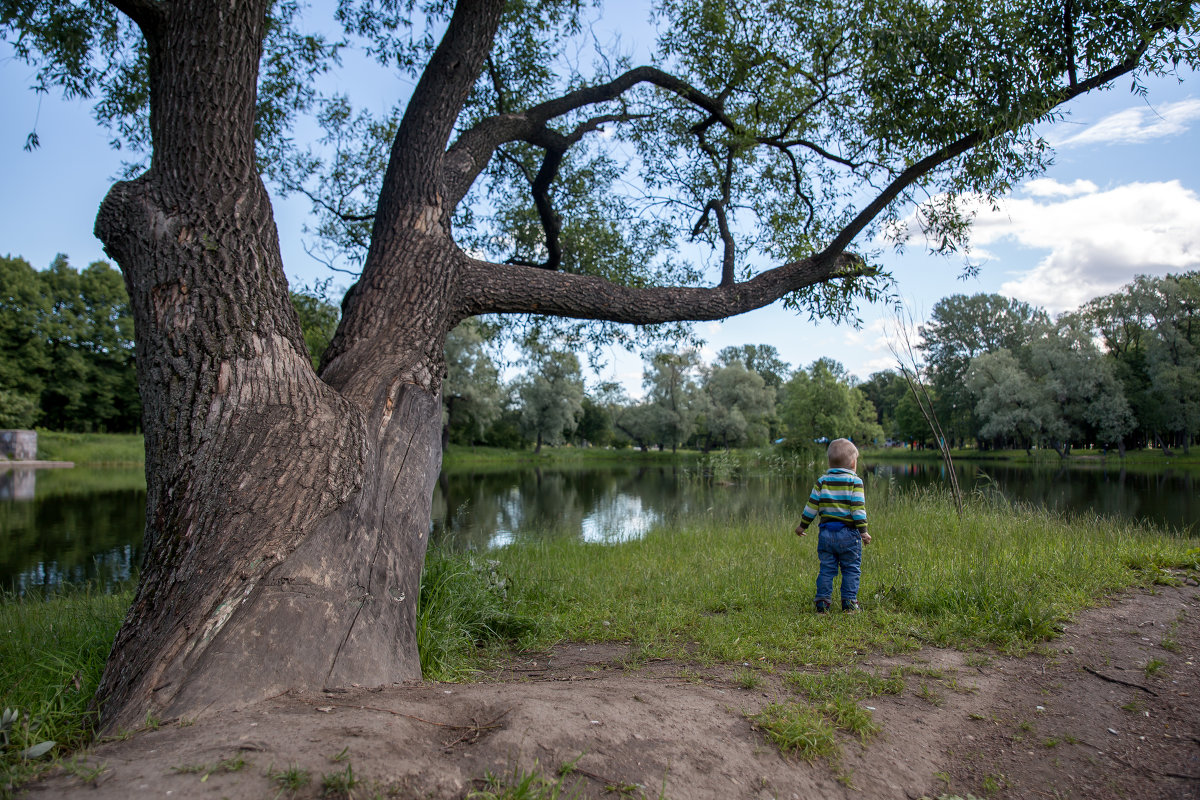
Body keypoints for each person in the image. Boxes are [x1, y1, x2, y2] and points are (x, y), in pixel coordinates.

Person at [794, 438, 871, 613]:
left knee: (827, 569)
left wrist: (802, 526)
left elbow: (811, 506)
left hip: (826, 533)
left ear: (829, 462)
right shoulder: (855, 482)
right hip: (849, 534)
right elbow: (858, 509)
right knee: (851, 568)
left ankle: (822, 602)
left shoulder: (822, 481)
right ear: (853, 463)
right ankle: (850, 604)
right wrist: (863, 531)